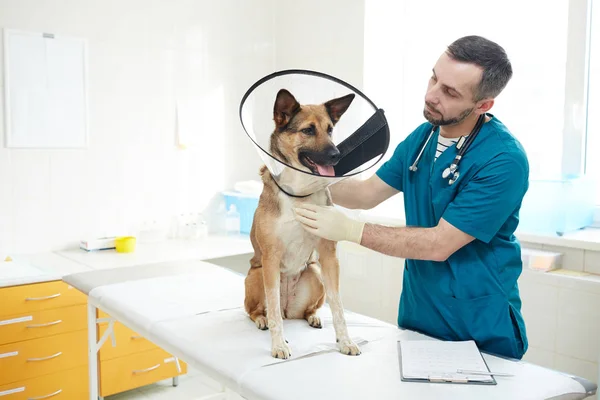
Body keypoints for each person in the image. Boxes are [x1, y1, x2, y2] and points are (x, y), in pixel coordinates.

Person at [294, 35, 529, 360]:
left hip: (479, 326)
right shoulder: (423, 138)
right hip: (419, 316)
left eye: (450, 92)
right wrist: (300, 176)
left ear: (483, 105)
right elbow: (364, 194)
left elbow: (439, 244)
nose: (432, 95)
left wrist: (352, 231)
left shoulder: (503, 160)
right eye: (434, 77)